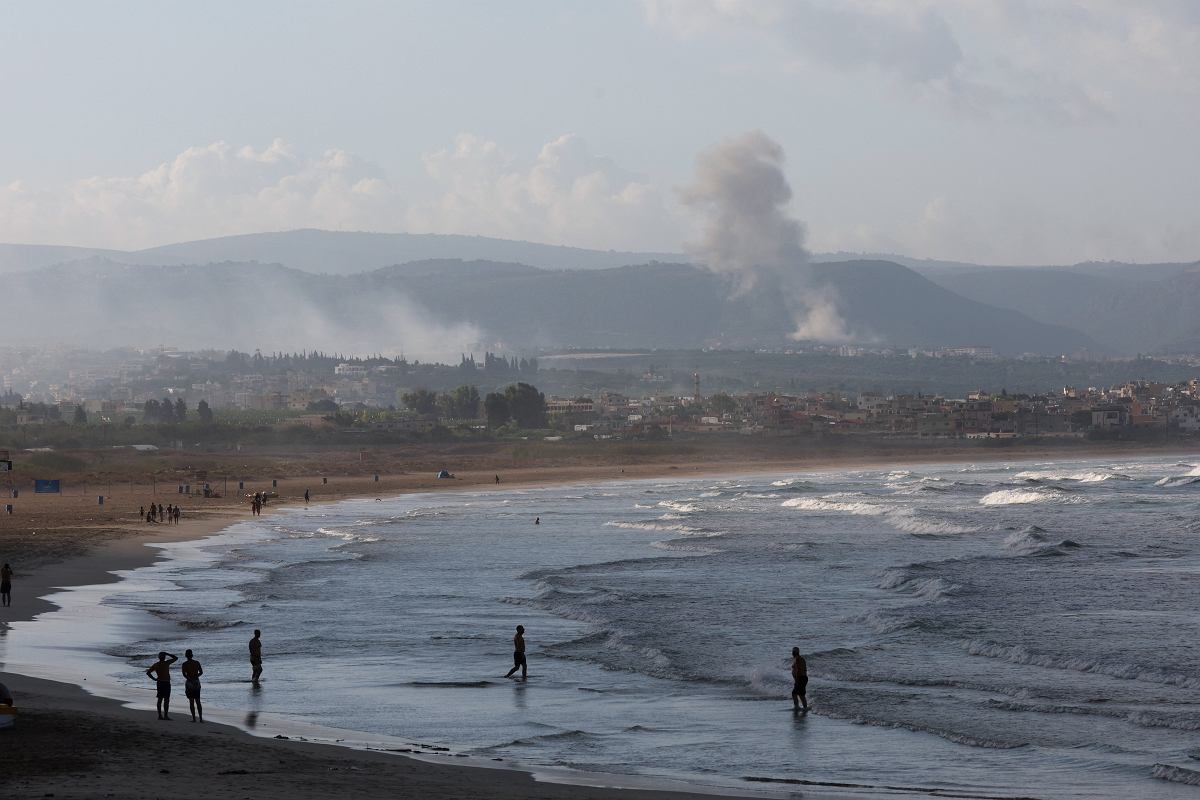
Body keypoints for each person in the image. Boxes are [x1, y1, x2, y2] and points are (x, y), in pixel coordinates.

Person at [146, 651, 179, 720]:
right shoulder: (166, 663)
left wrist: (154, 679)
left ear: (159, 657)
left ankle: (160, 715)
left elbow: (148, 672)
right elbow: (176, 658)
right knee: (166, 700)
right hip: (166, 683)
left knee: (160, 699)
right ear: (164, 657)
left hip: (160, 683)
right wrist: (167, 653)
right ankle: (165, 716)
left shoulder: (156, 664)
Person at [181, 649, 204, 722]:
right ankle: (200, 719)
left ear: (186, 655)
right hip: (197, 682)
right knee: (198, 701)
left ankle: (194, 719)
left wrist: (190, 678)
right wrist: (195, 676)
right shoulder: (197, 662)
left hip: (189, 682)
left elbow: (184, 674)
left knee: (191, 701)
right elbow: (201, 672)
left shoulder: (184, 664)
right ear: (192, 655)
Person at [791, 647, 809, 712]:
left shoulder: (797, 659)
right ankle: (800, 707)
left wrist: (796, 680)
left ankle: (802, 708)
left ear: (794, 652)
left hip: (800, 678)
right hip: (803, 678)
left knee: (798, 694)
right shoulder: (800, 658)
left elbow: (798, 670)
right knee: (797, 694)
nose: (792, 653)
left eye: (793, 652)